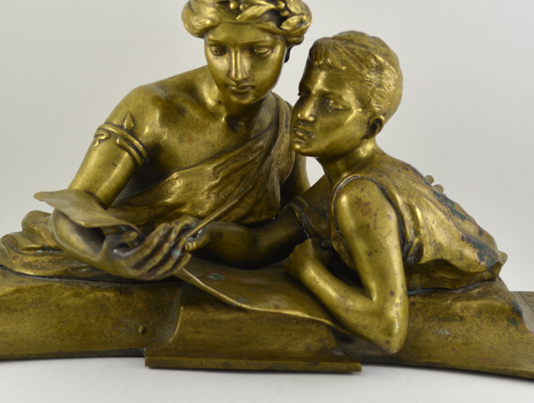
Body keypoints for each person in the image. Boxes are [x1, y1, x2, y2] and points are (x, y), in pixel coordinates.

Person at [0, 0, 312, 282]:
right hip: (128, 262)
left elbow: (299, 221)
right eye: (219, 50)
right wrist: (115, 260)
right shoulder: (153, 108)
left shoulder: (284, 124)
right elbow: (74, 208)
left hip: (227, 275)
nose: (238, 73)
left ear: (288, 46)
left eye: (258, 52)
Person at [178, 32, 507, 353]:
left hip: (464, 296)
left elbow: (388, 330)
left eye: (331, 105)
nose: (305, 113)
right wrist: (204, 234)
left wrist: (310, 272)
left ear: (371, 126)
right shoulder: (336, 182)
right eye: (304, 94)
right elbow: (259, 244)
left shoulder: (360, 195)